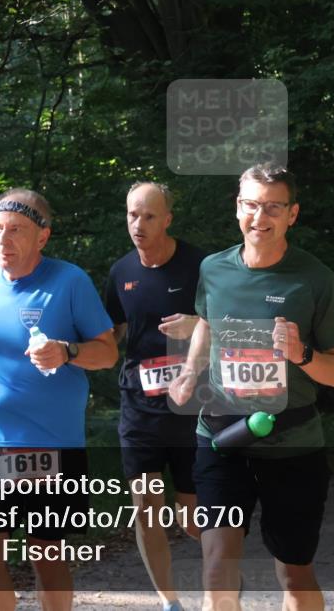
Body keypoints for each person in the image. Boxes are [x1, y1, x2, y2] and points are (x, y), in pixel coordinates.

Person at [169, 165, 334, 611]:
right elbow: (207, 323)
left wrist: (301, 353)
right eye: (251, 205)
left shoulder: (315, 279)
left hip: (292, 444)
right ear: (238, 208)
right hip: (221, 437)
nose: (260, 216)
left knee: (294, 573)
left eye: (273, 207)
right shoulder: (214, 268)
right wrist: (190, 372)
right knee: (217, 565)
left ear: (292, 214)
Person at [0, 188, 118, 611]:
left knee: (46, 552)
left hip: (49, 445)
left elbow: (108, 352)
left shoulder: (69, 281)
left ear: (43, 236)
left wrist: (67, 351)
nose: (2, 240)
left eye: (16, 230)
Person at [104, 182, 207, 611]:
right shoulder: (121, 272)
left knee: (191, 518)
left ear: (167, 219)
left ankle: (220, 579)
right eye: (132, 215)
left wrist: (197, 324)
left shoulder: (199, 265)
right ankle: (170, 602)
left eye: (149, 216)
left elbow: (230, 321)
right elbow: (110, 335)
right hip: (139, 406)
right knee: (146, 508)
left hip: (192, 405)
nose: (139, 224)